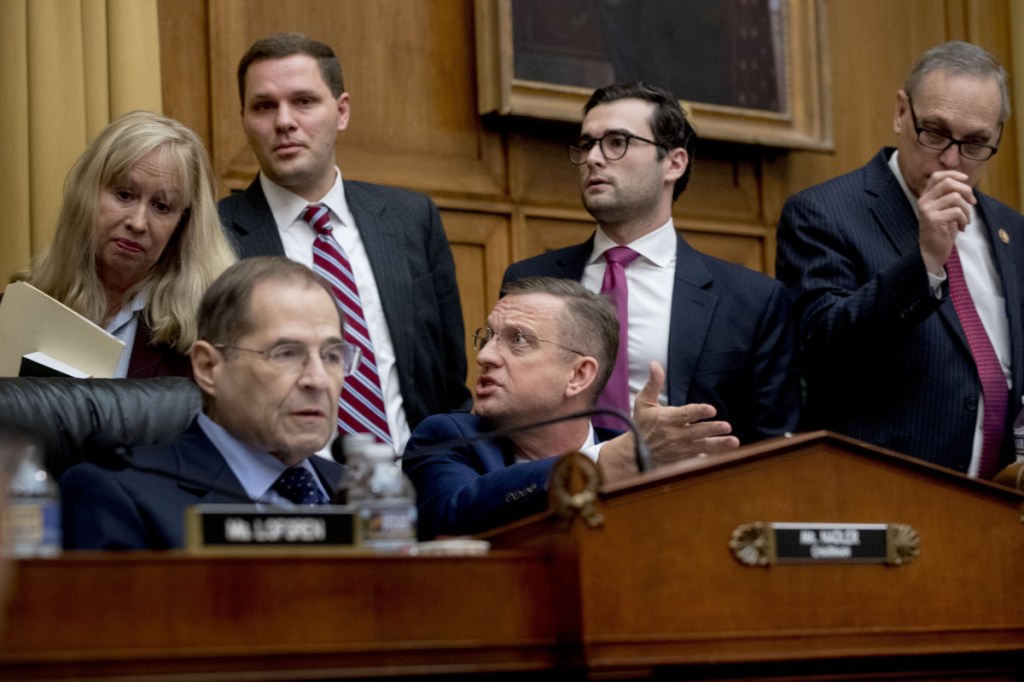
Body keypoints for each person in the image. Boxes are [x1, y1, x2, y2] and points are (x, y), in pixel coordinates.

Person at [776, 41, 1024, 479]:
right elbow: (820, 350)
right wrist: (925, 261)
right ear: (900, 112)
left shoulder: (1012, 230)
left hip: (996, 506)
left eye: (975, 143)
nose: (951, 159)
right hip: (881, 496)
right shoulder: (824, 213)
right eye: (934, 132)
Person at [503, 82, 800, 446]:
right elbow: (502, 411)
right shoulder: (530, 282)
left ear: (673, 163)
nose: (594, 158)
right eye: (586, 144)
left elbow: (773, 444)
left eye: (617, 142)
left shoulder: (752, 300)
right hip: (555, 488)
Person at [218, 33, 469, 452]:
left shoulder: (412, 219)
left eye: (304, 101)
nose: (284, 121)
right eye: (264, 105)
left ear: (342, 111)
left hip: (416, 487)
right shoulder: (214, 233)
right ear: (244, 119)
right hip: (287, 489)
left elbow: (448, 383)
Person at [404, 277, 743, 540]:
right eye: (489, 336)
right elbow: (449, 517)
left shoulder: (641, 454)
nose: (485, 356)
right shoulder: (446, 438)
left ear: (579, 375)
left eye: (518, 339)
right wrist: (594, 467)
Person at [59, 257, 351, 549]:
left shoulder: (365, 497)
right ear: (209, 367)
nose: (319, 380)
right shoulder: (117, 496)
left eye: (332, 356)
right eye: (286, 353)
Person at [12, 110, 236, 378]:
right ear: (87, 195)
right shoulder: (21, 309)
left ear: (183, 225)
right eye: (125, 195)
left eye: (162, 206)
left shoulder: (211, 331)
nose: (138, 223)